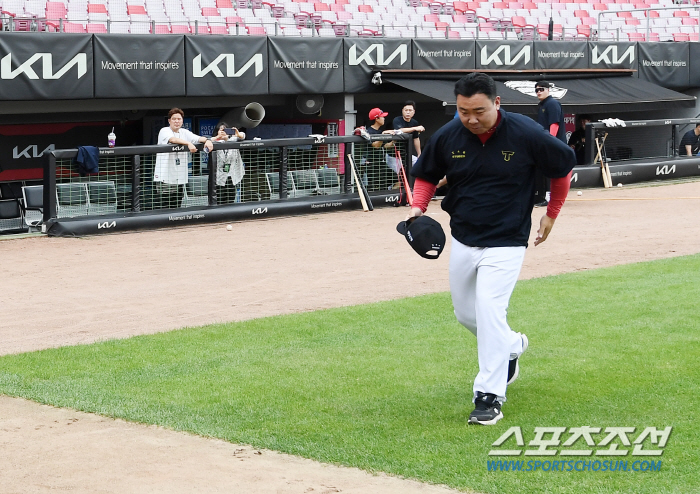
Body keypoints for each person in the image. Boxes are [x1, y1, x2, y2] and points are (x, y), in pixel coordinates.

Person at [407, 73, 576, 425]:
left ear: (497, 104)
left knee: (488, 310)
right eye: (463, 110)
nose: (470, 118)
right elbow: (426, 174)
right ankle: (512, 346)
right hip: (464, 238)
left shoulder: (526, 132)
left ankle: (488, 397)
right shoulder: (451, 134)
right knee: (465, 314)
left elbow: (562, 167)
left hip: (507, 239)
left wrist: (552, 214)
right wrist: (416, 210)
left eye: (478, 111)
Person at [154, 108, 213, 209]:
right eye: (174, 119)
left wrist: (207, 140)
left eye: (179, 119)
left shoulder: (184, 132)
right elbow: (172, 140)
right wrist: (188, 143)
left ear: (182, 120)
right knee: (164, 206)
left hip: (179, 176)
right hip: (165, 177)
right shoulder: (164, 130)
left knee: (177, 205)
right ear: (169, 121)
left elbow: (198, 138)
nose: (176, 121)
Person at [534, 80, 566, 207]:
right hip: (547, 143)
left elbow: (554, 124)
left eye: (541, 89)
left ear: (548, 89)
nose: (539, 92)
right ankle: (542, 196)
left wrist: (550, 141)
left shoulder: (552, 104)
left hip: (553, 144)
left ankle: (547, 196)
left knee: (550, 169)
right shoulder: (542, 105)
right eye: (536, 90)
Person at [211, 122, 246, 204]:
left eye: (225, 130)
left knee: (230, 198)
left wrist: (237, 134)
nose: (223, 132)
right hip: (219, 176)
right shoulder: (214, 141)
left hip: (232, 174)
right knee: (220, 199)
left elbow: (243, 136)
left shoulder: (233, 140)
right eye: (221, 130)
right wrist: (218, 137)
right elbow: (206, 140)